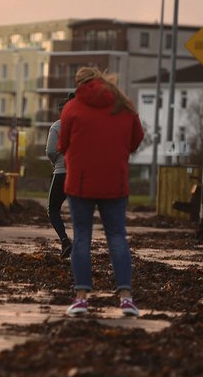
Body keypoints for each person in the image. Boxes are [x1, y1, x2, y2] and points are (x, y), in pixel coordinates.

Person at [58, 67, 144, 318]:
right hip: (114, 182)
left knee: (82, 237)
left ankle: (82, 298)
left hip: (81, 183)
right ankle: (126, 299)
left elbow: (62, 144)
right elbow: (136, 139)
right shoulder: (123, 106)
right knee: (117, 236)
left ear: (79, 84)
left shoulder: (72, 108)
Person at [45, 93, 75, 259]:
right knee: (79, 210)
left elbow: (50, 151)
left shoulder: (57, 126)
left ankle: (65, 240)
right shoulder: (83, 125)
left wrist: (56, 160)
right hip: (79, 174)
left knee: (53, 208)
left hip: (62, 172)